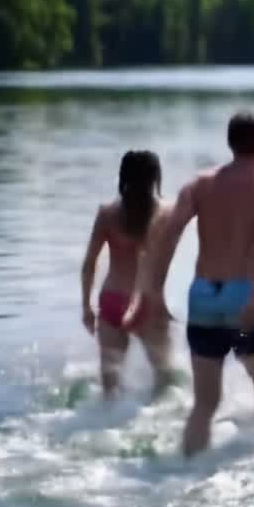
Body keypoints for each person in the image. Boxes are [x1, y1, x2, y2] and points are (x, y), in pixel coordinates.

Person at [134, 110, 254, 457]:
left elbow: (167, 236)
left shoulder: (198, 185)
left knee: (204, 403)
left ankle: (186, 471)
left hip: (204, 295)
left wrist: (154, 292)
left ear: (229, 143)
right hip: (245, 293)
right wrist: (252, 299)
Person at [80, 150, 175, 400]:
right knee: (166, 382)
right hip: (149, 303)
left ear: (122, 176)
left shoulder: (107, 213)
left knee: (109, 390)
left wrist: (86, 308)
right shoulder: (167, 214)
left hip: (112, 301)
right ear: (156, 178)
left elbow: (89, 263)